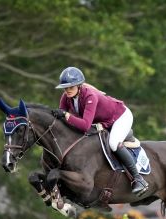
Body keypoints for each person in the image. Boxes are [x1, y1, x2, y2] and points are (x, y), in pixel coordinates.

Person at [52, 66, 148, 196]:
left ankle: (138, 179)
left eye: (71, 87)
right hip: (102, 121)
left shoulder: (90, 96)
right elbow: (63, 117)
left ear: (79, 86)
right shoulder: (66, 97)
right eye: (65, 87)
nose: (67, 90)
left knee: (113, 143)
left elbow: (85, 125)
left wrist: (67, 116)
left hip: (120, 117)